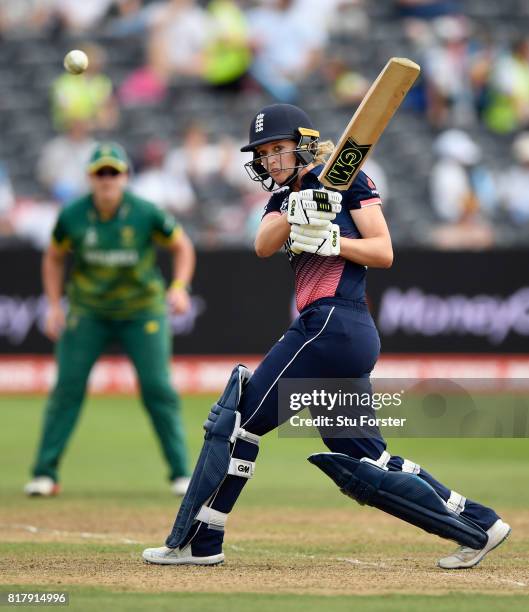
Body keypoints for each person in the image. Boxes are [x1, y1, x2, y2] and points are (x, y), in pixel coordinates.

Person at [142, 104, 510, 569]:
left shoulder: (351, 180)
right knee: (368, 461)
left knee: (238, 423)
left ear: (302, 144)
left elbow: (383, 251)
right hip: (340, 335)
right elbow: (262, 244)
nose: (272, 161)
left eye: (279, 149)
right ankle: (481, 524)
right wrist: (298, 209)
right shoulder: (281, 200)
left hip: (333, 324)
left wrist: (332, 239)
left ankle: (201, 539)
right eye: (264, 153)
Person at [24, 142, 195, 497]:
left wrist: (179, 286)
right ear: (89, 178)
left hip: (142, 310)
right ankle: (44, 473)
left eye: (113, 172)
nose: (107, 180)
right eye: (100, 173)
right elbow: (54, 257)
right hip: (89, 311)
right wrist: (54, 305)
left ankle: (181, 473)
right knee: (67, 387)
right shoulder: (72, 215)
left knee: (157, 388)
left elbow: (182, 246)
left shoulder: (146, 212)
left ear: (125, 177)